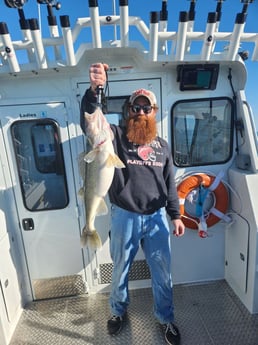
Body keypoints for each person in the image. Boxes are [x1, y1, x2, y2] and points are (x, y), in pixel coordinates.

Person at [80, 62, 185, 345]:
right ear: (128, 112)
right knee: (120, 269)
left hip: (156, 218)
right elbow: (90, 119)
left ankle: (165, 318)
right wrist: (95, 91)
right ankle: (117, 312)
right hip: (124, 215)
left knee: (163, 273)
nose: (140, 112)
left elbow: (170, 184)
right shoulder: (114, 137)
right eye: (135, 108)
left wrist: (175, 215)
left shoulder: (162, 146)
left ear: (154, 113)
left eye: (145, 108)